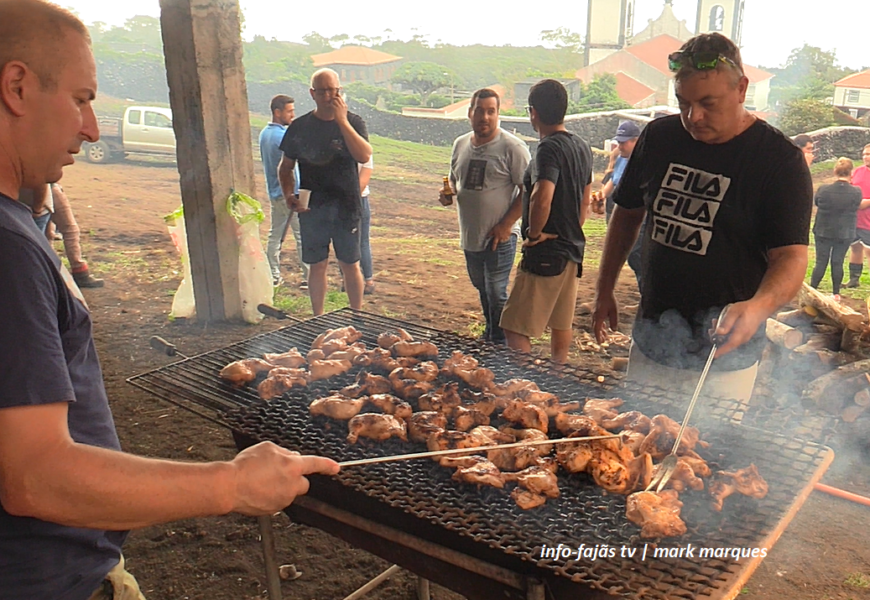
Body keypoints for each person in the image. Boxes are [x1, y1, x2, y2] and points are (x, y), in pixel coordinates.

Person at [0, 3, 339, 599]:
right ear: (18, 86)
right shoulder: (7, 249)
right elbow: (34, 477)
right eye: (81, 99)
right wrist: (230, 484)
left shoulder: (17, 224)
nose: (92, 129)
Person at [592, 32, 812, 404]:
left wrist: (758, 307)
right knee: (635, 450)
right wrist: (604, 288)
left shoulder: (779, 161)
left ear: (741, 89)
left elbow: (791, 257)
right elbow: (627, 215)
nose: (693, 117)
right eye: (683, 103)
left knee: (705, 458)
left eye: (708, 103)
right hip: (652, 338)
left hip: (723, 359)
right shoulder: (659, 137)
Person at [500, 79, 593, 363]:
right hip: (571, 250)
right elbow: (585, 199)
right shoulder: (582, 147)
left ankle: (526, 390)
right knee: (560, 323)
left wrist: (534, 233)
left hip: (546, 251)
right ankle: (557, 380)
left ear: (533, 112)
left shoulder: (547, 148)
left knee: (513, 327)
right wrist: (571, 230)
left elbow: (543, 194)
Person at [278, 68, 372, 316]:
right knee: (316, 265)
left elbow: (364, 155)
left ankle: (356, 316)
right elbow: (285, 167)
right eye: (323, 91)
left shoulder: (353, 121)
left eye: (334, 90)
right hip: (313, 207)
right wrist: (289, 194)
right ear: (312, 93)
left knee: (350, 264)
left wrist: (341, 121)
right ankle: (317, 318)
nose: (329, 96)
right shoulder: (300, 127)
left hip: (347, 207)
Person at [440, 88, 530, 345]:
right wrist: (447, 195)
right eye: (480, 111)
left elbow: (529, 191)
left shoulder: (512, 147)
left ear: (498, 114)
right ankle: (491, 333)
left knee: (496, 291)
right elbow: (455, 183)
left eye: (491, 111)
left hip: (500, 236)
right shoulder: (461, 144)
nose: (485, 117)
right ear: (470, 113)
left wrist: (506, 225)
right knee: (482, 288)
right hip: (471, 235)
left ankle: (502, 343)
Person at [259, 94, 308, 288]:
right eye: (289, 111)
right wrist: (296, 193)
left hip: (274, 192)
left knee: (275, 235)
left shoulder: (264, 133)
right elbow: (290, 169)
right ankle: (307, 277)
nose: (292, 115)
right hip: (290, 193)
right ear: (277, 112)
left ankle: (273, 275)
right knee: (302, 237)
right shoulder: (283, 136)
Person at [593, 120, 643, 286]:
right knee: (629, 254)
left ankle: (646, 297)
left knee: (636, 254)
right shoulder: (622, 159)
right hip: (620, 211)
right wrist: (601, 196)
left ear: (636, 140)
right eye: (619, 142)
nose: (620, 146)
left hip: (639, 216)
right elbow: (613, 181)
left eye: (624, 142)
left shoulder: (645, 160)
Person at [809, 157, 862, 300]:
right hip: (845, 232)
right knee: (837, 261)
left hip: (823, 230)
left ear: (835, 171)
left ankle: (812, 290)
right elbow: (856, 206)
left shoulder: (824, 189)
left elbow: (817, 203)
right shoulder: (856, 192)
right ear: (851, 172)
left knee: (821, 261)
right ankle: (836, 292)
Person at [50, 183, 104, 287]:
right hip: (47, 188)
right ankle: (80, 272)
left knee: (47, 234)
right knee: (70, 231)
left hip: (27, 190)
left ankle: (51, 271)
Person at [844, 143, 870, 288]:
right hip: (854, 218)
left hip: (869, 220)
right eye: (864, 154)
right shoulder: (858, 171)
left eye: (869, 154)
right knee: (855, 247)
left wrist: (866, 202)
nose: (866, 157)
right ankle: (854, 279)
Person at [358, 156, 376, 294]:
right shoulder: (365, 150)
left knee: (345, 241)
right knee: (363, 242)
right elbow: (363, 182)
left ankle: (347, 280)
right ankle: (368, 281)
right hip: (361, 199)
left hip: (343, 199)